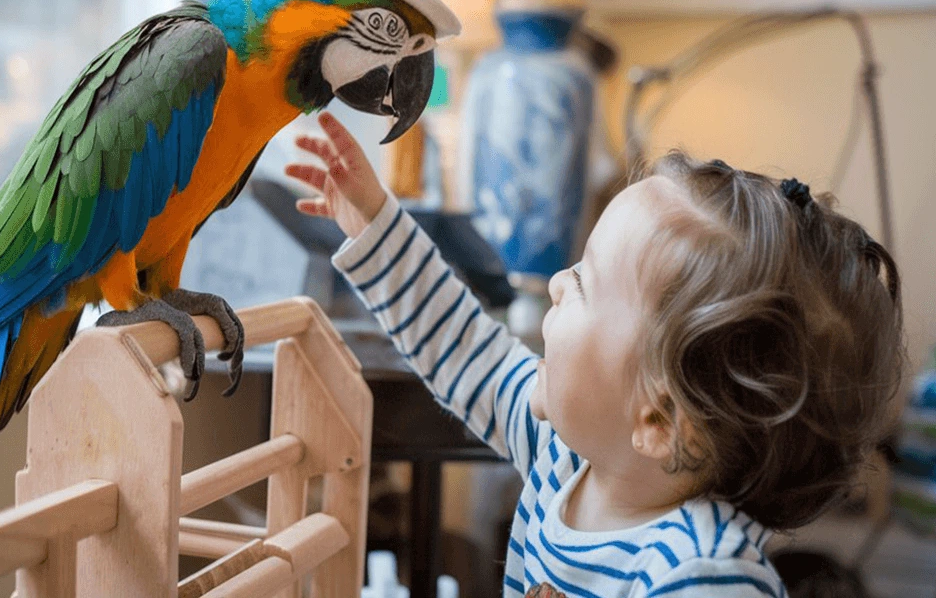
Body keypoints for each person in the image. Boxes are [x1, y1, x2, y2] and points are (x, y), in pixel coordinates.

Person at [286, 112, 904, 597]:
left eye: (582, 282)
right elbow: (464, 349)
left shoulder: (700, 574)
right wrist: (373, 222)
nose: (557, 282)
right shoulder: (564, 458)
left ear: (657, 421)